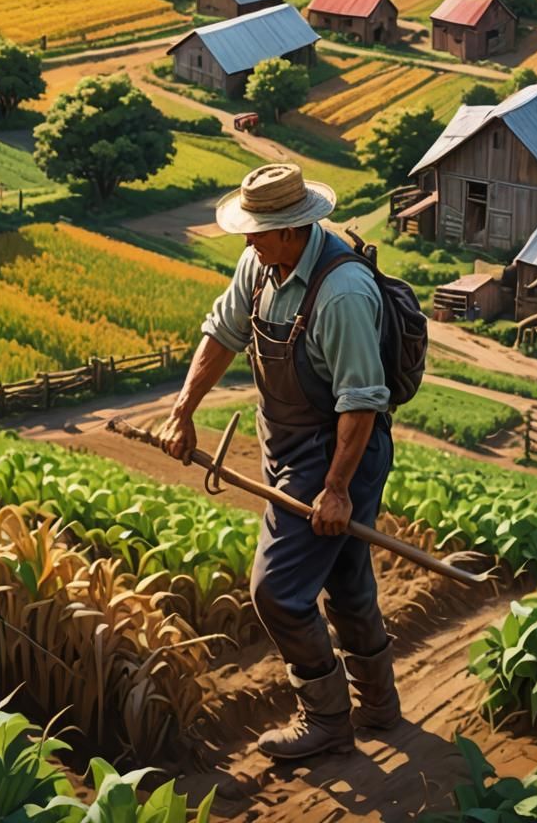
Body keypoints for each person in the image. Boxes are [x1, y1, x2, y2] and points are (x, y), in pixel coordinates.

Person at [157, 162, 399, 760]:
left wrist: (337, 488)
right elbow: (221, 334)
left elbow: (362, 403)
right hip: (288, 447)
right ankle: (379, 707)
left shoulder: (340, 293)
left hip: (340, 452)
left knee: (277, 592)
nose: (246, 240)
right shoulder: (261, 265)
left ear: (291, 229)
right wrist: (183, 410)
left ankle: (325, 721)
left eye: (256, 230)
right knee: (343, 578)